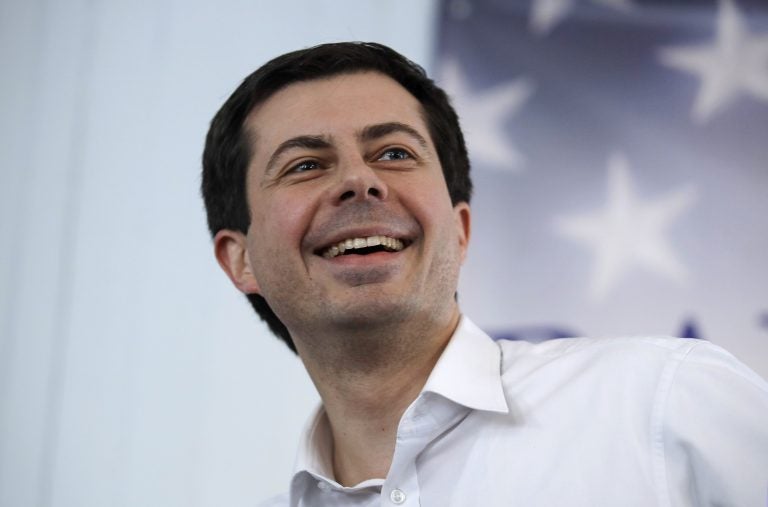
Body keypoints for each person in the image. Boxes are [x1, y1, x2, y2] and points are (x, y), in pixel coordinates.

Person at [202, 42, 768, 506]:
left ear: (460, 231)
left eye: (395, 153)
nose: (359, 181)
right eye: (305, 165)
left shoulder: (664, 400)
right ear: (240, 259)